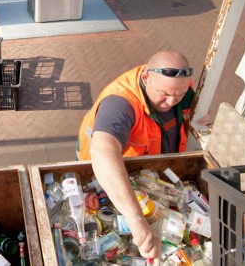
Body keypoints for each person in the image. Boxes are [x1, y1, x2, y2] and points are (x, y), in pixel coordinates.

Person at [76, 50, 211, 264]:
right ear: (146, 77)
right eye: (164, 94)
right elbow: (103, 152)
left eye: (178, 95)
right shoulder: (120, 104)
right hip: (106, 176)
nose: (171, 102)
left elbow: (185, 111)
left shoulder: (181, 88)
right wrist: (136, 220)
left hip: (146, 172)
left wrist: (195, 120)